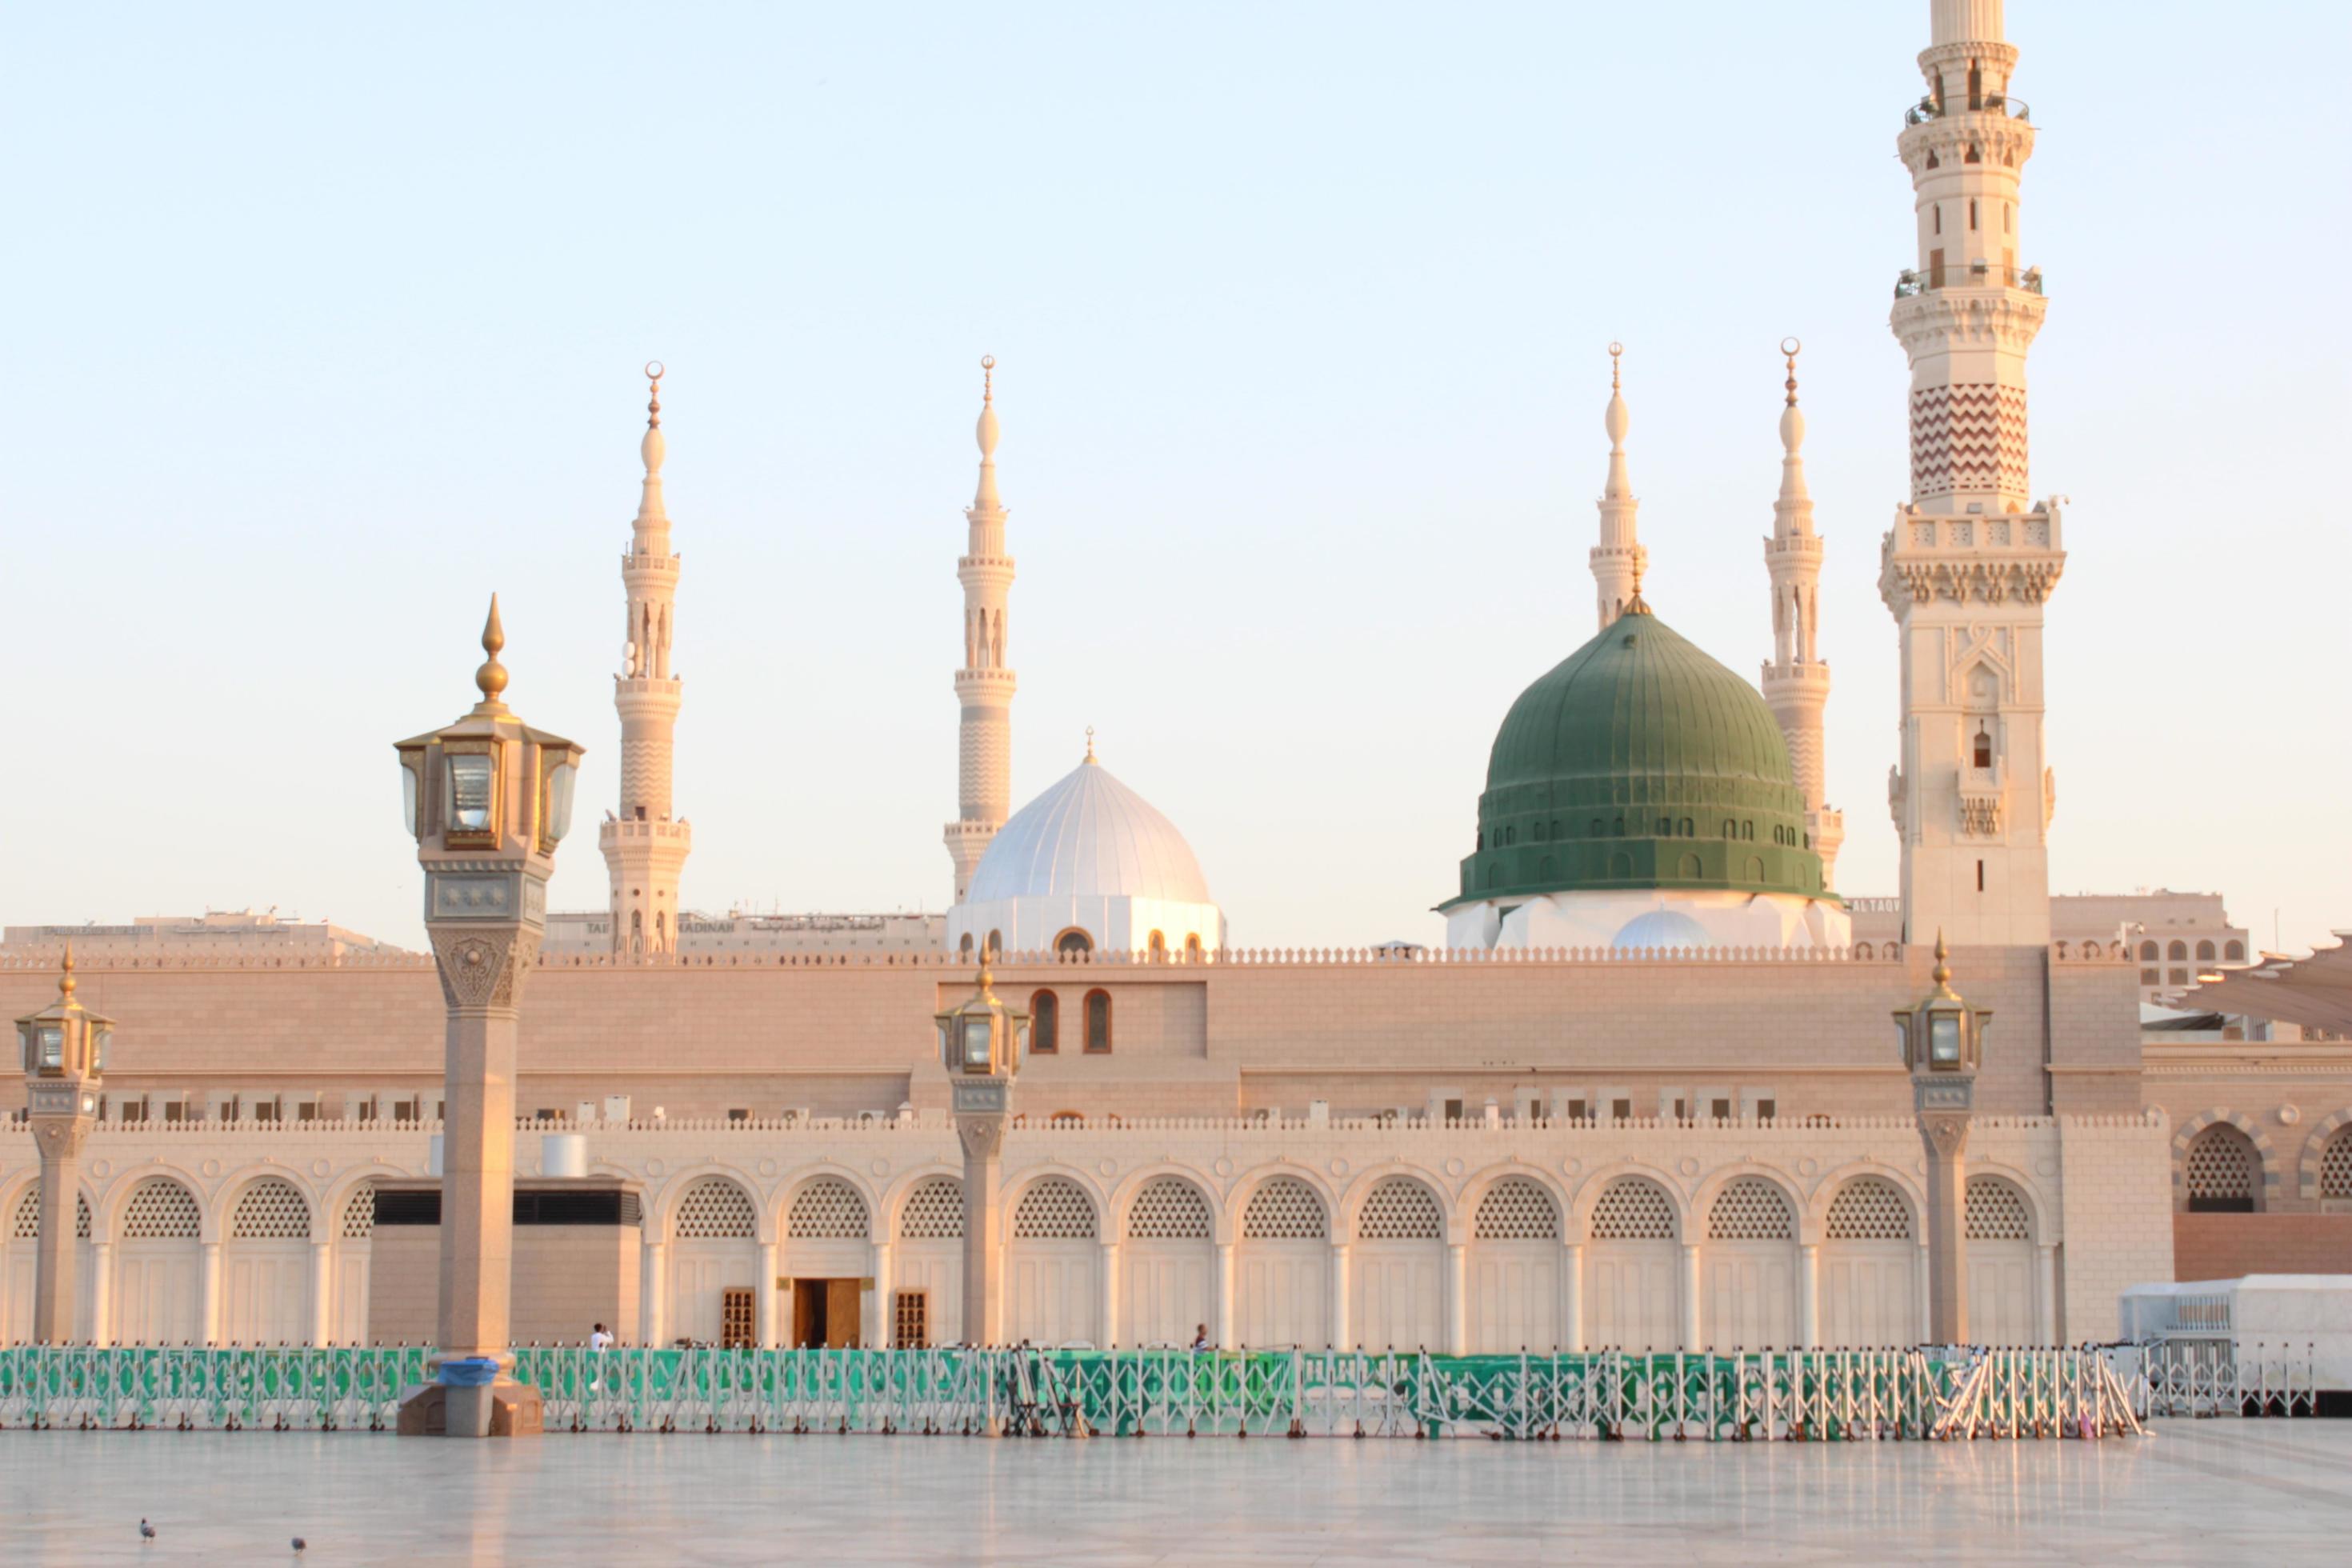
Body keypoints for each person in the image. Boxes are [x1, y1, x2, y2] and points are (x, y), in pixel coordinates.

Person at [589, 1322, 614, 1391]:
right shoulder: (602, 1336)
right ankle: (600, 1386)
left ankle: (595, 1386)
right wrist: (608, 1332)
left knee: (595, 1371)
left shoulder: (593, 1336)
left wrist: (603, 1332)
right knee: (601, 1371)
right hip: (601, 1355)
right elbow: (611, 1340)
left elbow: (600, 1339)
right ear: (601, 1328)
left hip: (594, 1355)